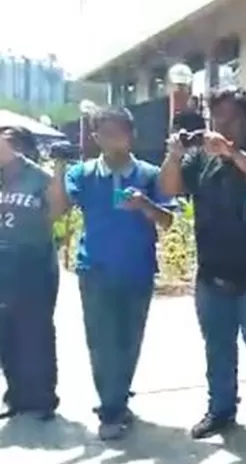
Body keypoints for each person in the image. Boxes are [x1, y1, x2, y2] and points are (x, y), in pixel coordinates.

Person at [160, 87, 246, 439]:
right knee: (217, 344)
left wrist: (233, 154)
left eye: (229, 117)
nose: (221, 124)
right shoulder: (201, 157)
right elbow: (169, 189)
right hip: (211, 269)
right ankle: (220, 408)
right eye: (216, 117)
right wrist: (173, 157)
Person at [63, 107, 175, 440]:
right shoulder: (82, 174)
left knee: (129, 340)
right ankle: (110, 407)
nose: (113, 140)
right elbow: (59, 204)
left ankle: (118, 397)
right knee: (101, 342)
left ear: (132, 134)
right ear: (95, 138)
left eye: (119, 132)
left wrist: (144, 205)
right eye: (105, 133)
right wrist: (56, 168)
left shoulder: (149, 174)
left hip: (137, 271)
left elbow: (168, 220)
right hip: (94, 270)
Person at [0, 126, 68, 421]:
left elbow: (57, 212)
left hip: (35, 264)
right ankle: (16, 395)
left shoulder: (39, 178)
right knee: (6, 331)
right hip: (3, 263)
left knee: (37, 330)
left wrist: (60, 170)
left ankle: (42, 398)